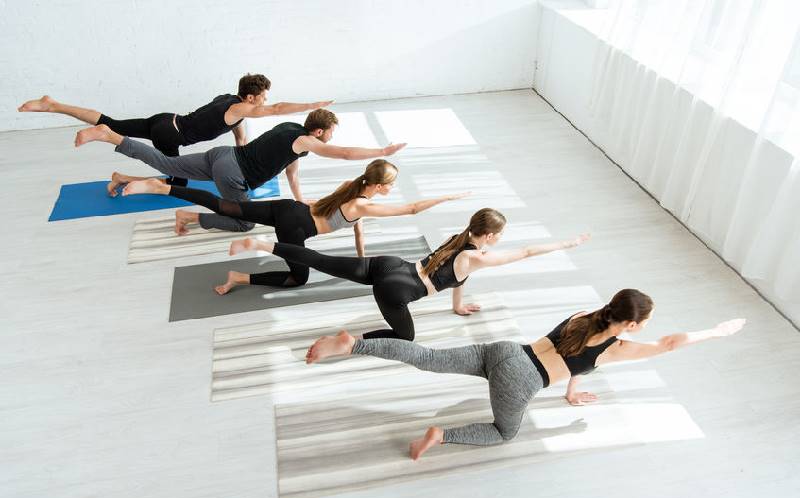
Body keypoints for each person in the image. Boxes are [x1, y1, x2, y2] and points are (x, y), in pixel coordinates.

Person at [304, 289, 746, 460]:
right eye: (643, 322)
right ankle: (442, 435)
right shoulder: (620, 348)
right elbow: (669, 344)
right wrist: (717, 331)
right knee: (502, 433)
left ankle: (354, 344)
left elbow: (578, 358)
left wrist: (573, 389)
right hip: (520, 381)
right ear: (630, 325)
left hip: (505, 349)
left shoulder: (584, 316)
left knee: (428, 357)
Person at [230, 208, 589, 339]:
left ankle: (265, 245)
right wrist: (565, 245)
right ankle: (352, 342)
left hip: (392, 264)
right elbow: (525, 253)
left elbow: (458, 278)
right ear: (491, 237)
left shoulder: (460, 239)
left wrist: (459, 306)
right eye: (500, 237)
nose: (502, 243)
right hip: (397, 288)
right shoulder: (477, 256)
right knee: (405, 339)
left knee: (321, 259)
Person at [120, 159, 468, 290]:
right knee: (298, 277)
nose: (391, 190)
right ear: (378, 186)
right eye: (389, 185)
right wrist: (446, 198)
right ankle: (241, 277)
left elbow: (357, 224)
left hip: (289, 209)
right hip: (296, 230)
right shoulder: (364, 203)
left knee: (229, 206)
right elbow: (409, 209)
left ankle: (163, 186)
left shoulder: (354, 189)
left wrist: (362, 254)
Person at [73, 109, 407, 232]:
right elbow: (345, 153)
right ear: (319, 132)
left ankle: (112, 136)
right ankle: (190, 217)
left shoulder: (292, 129)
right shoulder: (308, 141)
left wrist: (300, 198)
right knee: (245, 221)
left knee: (167, 164)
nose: (332, 138)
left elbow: (290, 169)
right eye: (330, 132)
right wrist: (382, 151)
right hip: (232, 175)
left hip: (223, 154)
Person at [18, 73, 332, 190]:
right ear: (251, 98)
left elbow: (240, 137)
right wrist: (312, 104)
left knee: (110, 119)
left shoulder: (231, 102)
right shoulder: (240, 109)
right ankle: (124, 179)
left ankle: (54, 104)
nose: (267, 102)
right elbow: (276, 111)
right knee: (174, 176)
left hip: (166, 119)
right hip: (171, 136)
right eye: (262, 98)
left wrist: (248, 154)